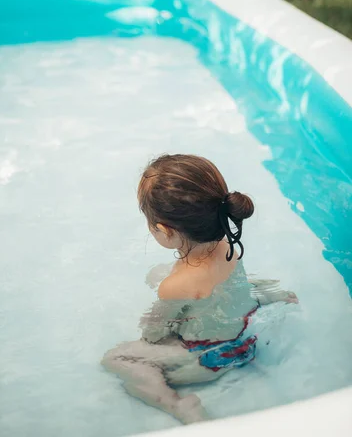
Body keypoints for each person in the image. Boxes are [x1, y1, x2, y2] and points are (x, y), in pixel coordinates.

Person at [102, 154, 297, 424]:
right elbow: (229, 288)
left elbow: (156, 332)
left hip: (209, 359)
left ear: (163, 230)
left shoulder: (176, 286)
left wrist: (153, 329)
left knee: (116, 358)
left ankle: (178, 406)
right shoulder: (227, 246)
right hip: (246, 336)